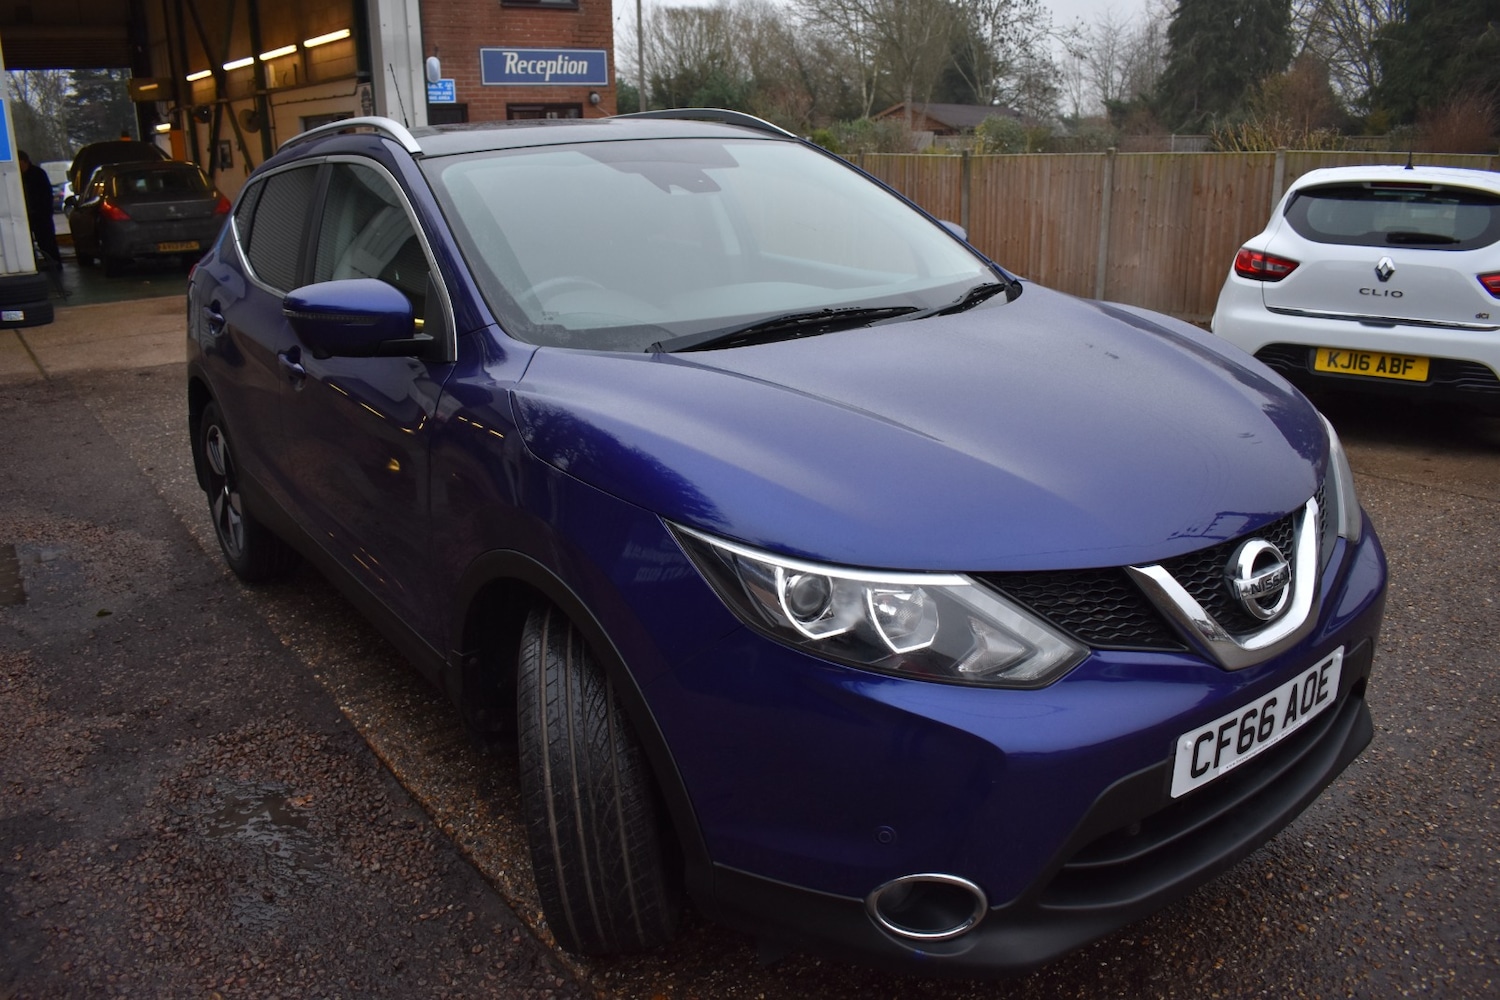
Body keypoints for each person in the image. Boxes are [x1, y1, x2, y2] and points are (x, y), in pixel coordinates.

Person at [17, 150, 61, 269]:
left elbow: (45, 195)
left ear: (24, 162)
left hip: (41, 214)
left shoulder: (37, 174)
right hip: (29, 215)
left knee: (46, 241)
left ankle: (54, 263)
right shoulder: (21, 176)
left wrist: (43, 210)